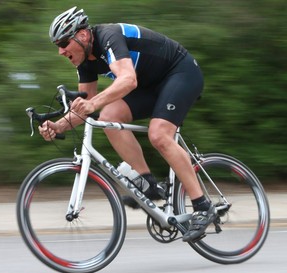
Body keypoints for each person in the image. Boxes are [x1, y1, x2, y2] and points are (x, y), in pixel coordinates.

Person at [39, 6, 216, 242]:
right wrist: (58, 126)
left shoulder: (108, 36)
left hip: (180, 73)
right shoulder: (84, 61)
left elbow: (128, 80)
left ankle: (203, 206)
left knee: (159, 134)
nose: (60, 51)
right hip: (150, 86)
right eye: (57, 46)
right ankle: (148, 183)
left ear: (81, 35)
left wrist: (93, 104)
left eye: (63, 43)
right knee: (108, 117)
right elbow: (84, 105)